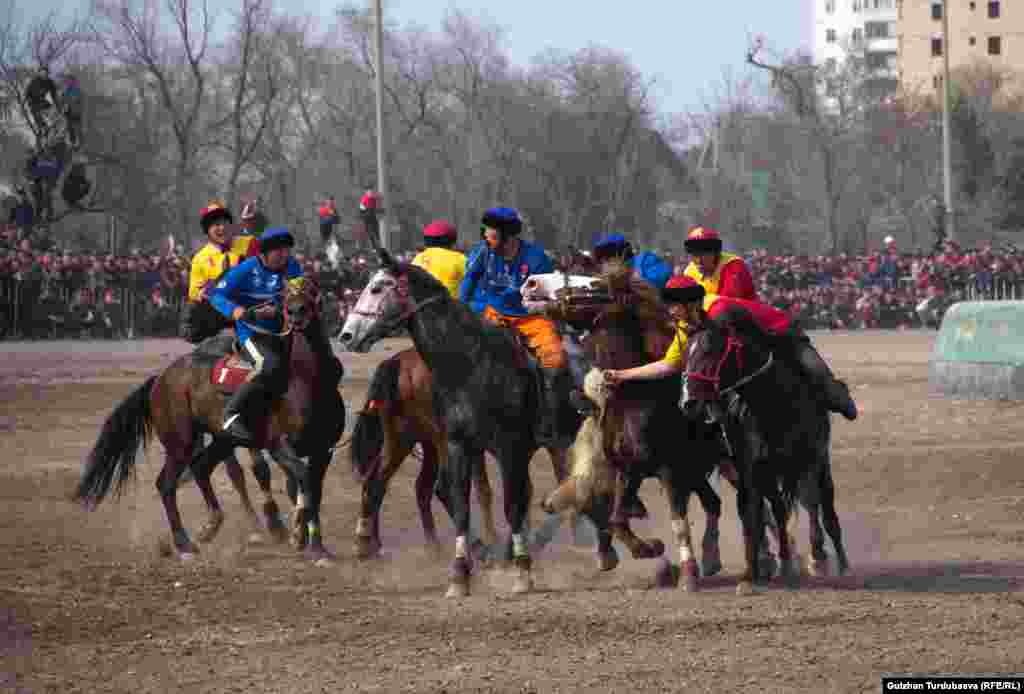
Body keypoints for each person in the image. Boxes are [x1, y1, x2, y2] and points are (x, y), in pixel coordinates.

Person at [603, 276, 858, 421]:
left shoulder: (719, 312)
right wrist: (623, 375)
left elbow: (748, 345)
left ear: (690, 303)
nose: (670, 311)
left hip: (781, 333)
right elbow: (670, 365)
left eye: (675, 305)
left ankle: (838, 395)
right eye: (669, 305)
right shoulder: (687, 323)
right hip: (750, 345)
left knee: (814, 370)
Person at [209, 227, 342, 445]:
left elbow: (297, 294)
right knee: (269, 366)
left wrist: (311, 295)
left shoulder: (291, 266)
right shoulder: (244, 270)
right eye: (278, 251)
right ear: (263, 253)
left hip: (284, 330)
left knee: (323, 361)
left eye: (286, 250)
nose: (284, 255)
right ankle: (231, 414)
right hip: (252, 333)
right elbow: (216, 295)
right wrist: (244, 313)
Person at [459, 207, 572, 443]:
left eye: (491, 236)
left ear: (508, 236)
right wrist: (460, 310)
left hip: (531, 317)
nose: (486, 239)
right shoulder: (482, 252)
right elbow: (468, 283)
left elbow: (546, 294)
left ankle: (550, 420)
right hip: (494, 313)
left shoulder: (537, 258)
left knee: (557, 360)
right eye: (485, 234)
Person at [682, 226, 757, 301]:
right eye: (695, 255)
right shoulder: (689, 272)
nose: (699, 261)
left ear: (715, 253)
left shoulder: (733, 266)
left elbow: (728, 305)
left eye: (704, 255)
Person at [592, 232, 672, 290]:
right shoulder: (611, 275)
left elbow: (663, 278)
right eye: (602, 263)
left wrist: (628, 282)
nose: (605, 267)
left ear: (621, 255)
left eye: (607, 260)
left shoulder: (645, 261)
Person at [411, 220, 465, 298]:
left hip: (421, 307)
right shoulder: (459, 259)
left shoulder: (417, 258)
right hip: (449, 307)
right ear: (451, 240)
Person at [25, 66, 59, 138]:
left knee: (51, 109)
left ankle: (53, 127)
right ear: (39, 73)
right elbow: (27, 93)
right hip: (34, 102)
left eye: (46, 74)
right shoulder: (34, 82)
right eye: (43, 73)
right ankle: (42, 128)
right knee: (37, 113)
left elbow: (54, 94)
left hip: (43, 101)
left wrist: (57, 104)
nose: (45, 75)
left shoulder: (49, 82)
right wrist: (29, 102)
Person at [61, 74, 84, 149]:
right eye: (67, 81)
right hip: (68, 113)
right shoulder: (65, 91)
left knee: (77, 128)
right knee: (69, 128)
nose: (69, 82)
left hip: (76, 112)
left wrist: (68, 103)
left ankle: (78, 144)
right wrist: (64, 107)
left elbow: (77, 99)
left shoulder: (77, 90)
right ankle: (72, 143)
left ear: (74, 81)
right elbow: (62, 101)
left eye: (70, 81)